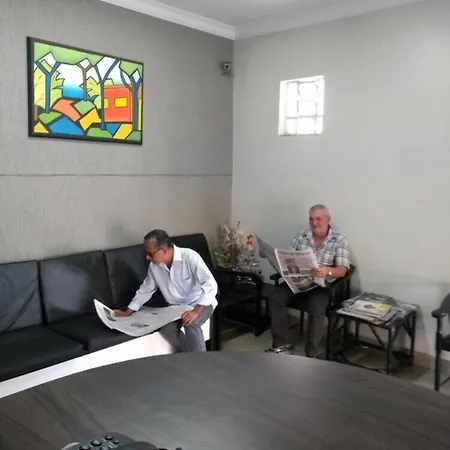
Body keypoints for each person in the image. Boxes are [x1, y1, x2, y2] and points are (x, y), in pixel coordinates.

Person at [265, 204, 350, 357]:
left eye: (318, 219)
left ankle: (313, 353)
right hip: (297, 281)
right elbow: (288, 256)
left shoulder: (339, 240)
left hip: (321, 286)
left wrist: (328, 270)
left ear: (328, 219)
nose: (314, 223)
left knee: (316, 306)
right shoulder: (302, 235)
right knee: (275, 297)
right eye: (311, 219)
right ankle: (282, 345)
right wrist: (277, 260)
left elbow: (343, 269)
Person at [113, 229, 217, 352]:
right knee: (166, 329)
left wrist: (195, 311)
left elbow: (210, 284)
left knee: (191, 323)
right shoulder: (154, 267)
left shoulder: (190, 257)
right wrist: (128, 311)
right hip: (175, 308)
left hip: (200, 303)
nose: (147, 257)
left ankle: (201, 361)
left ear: (163, 250)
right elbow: (146, 289)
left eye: (150, 254)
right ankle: (189, 356)